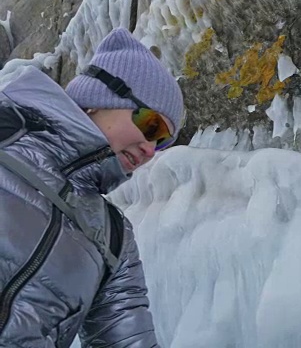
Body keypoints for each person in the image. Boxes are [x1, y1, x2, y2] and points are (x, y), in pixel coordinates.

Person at [0, 27, 184, 347]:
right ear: (102, 98)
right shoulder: (6, 127)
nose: (150, 149)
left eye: (162, 142)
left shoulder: (114, 238)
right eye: (151, 125)